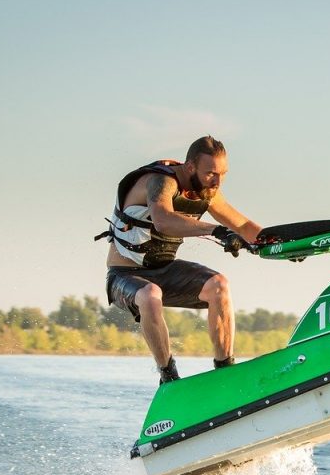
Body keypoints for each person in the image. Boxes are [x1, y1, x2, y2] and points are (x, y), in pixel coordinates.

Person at [96, 136, 262, 384]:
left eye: (222, 174)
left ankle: (225, 370)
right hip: (124, 276)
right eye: (211, 174)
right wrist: (217, 231)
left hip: (164, 271)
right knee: (150, 296)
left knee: (219, 286)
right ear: (190, 167)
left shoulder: (207, 191)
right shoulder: (160, 182)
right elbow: (163, 219)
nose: (217, 182)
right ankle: (168, 376)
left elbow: (244, 226)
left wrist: (279, 245)